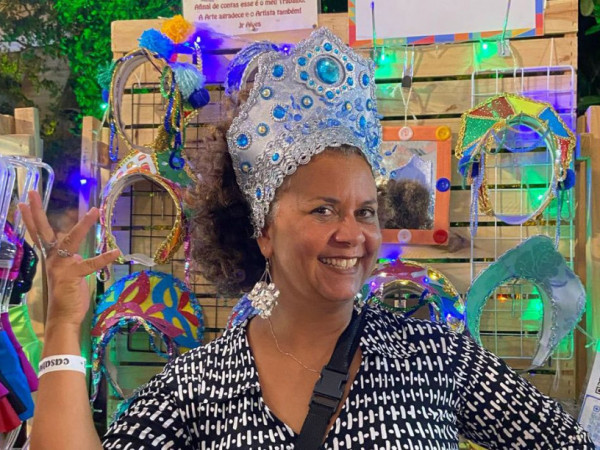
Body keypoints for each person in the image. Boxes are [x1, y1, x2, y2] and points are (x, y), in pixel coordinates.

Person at [19, 27, 592, 450]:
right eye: (323, 210)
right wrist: (65, 322)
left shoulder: (434, 355)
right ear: (263, 230)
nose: (352, 234)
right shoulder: (202, 385)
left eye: (365, 211)